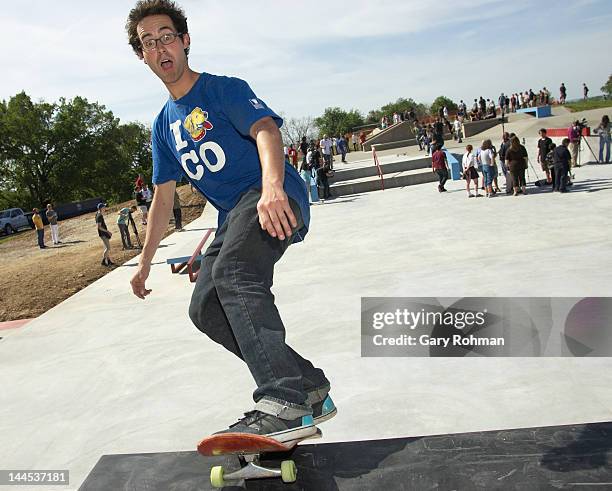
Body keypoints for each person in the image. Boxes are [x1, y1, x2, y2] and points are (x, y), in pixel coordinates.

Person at [126, 0, 333, 441]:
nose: (160, 47)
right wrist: (144, 262)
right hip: (232, 216)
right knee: (205, 308)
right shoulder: (163, 125)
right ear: (142, 56)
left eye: (167, 36)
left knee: (234, 272)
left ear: (184, 42)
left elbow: (266, 131)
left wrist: (274, 187)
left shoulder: (222, 89)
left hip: (272, 193)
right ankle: (309, 386)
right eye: (149, 43)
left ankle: (284, 402)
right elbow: (163, 199)